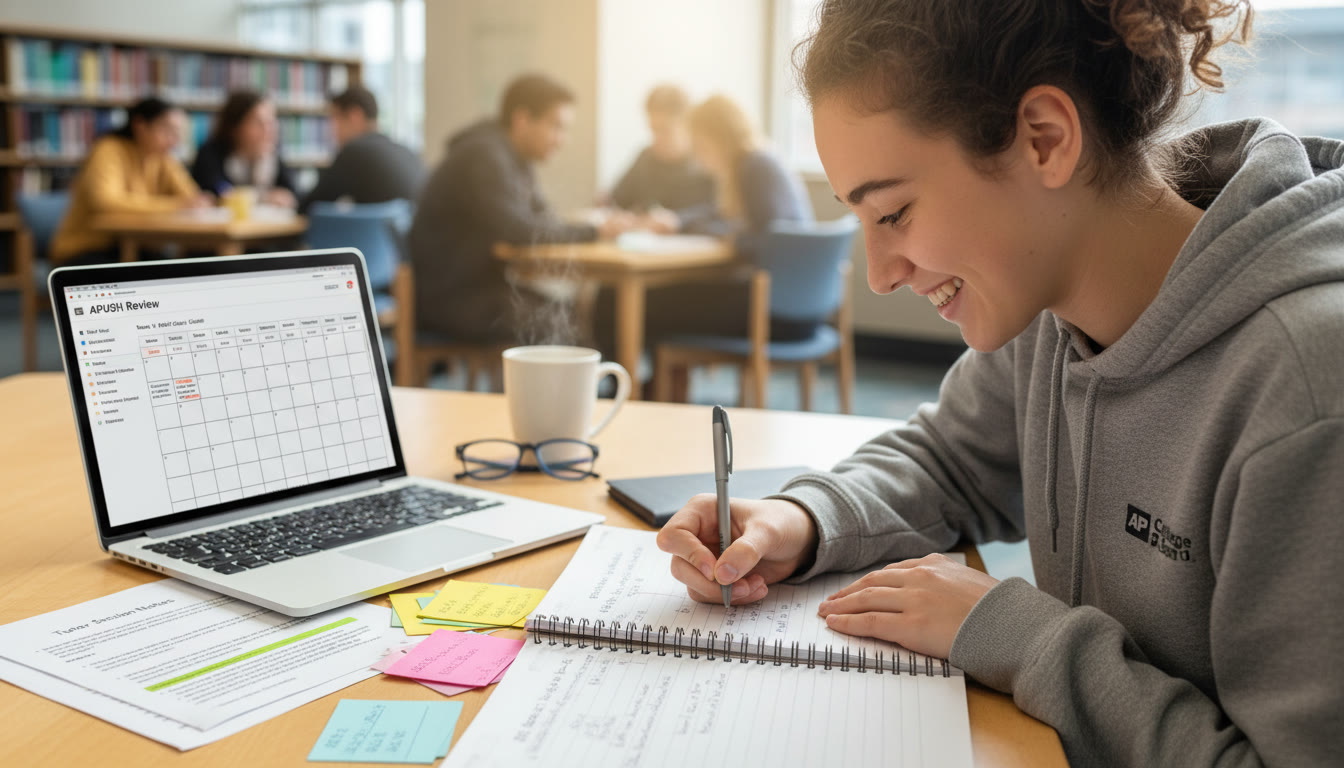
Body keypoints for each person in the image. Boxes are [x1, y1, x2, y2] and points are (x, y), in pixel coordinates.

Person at [657, 1, 1343, 766]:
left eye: (893, 213)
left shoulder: (1309, 392)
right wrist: (803, 520)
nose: (880, 276)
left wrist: (1019, 634)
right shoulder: (1050, 305)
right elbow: (949, 461)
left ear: (1044, 139)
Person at [407, 73, 631, 344]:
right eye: (556, 127)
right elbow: (519, 229)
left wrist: (589, 228)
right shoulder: (483, 157)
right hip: (451, 298)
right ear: (522, 119)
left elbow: (542, 217)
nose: (562, 140)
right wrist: (594, 231)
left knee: (568, 314)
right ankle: (588, 386)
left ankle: (593, 385)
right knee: (557, 322)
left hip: (480, 287)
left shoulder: (513, 158)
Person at [596, 94, 816, 355]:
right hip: (800, 306)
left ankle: (633, 386)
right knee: (650, 299)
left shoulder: (754, 166)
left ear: (718, 140)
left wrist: (732, 238)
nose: (699, 157)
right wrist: (679, 223)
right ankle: (660, 385)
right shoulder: (760, 159)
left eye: (699, 146)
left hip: (775, 311)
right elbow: (722, 216)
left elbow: (773, 241)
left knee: (618, 298)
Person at [50, 97, 210, 265]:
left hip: (135, 248)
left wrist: (192, 202)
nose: (174, 140)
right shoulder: (109, 150)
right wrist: (176, 205)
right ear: (140, 125)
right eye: (167, 130)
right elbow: (106, 202)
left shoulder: (162, 158)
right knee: (155, 273)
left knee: (182, 270)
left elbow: (191, 197)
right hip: (88, 250)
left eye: (178, 133)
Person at [299, 85, 425, 213]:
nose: (331, 131)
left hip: (376, 233)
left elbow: (310, 206)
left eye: (335, 120)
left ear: (355, 116)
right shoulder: (407, 151)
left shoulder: (353, 152)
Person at [606, 84, 714, 228]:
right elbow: (617, 201)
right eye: (653, 129)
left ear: (687, 125)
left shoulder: (707, 162)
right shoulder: (645, 158)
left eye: (665, 129)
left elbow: (722, 213)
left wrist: (678, 220)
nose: (657, 138)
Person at [191, 90, 298, 208]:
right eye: (258, 122)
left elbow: (291, 193)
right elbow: (218, 190)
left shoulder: (273, 154)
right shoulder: (211, 153)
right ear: (235, 127)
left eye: (271, 121)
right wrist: (264, 197)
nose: (268, 129)